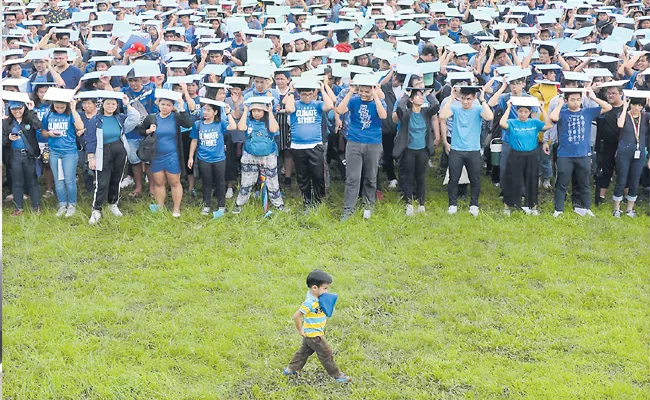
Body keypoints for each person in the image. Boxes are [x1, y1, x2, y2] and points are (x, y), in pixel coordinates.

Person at [547, 89, 612, 217]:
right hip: (565, 155)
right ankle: (558, 209)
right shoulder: (563, 113)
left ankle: (586, 207)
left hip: (583, 154)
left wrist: (592, 98)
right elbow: (553, 117)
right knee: (562, 183)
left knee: (584, 183)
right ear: (566, 100)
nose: (576, 102)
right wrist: (560, 104)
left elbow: (608, 107)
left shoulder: (587, 112)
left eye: (578, 99)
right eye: (572, 100)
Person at [282, 269, 352, 384]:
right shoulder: (310, 302)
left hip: (311, 333)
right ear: (314, 288)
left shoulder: (316, 297)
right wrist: (300, 329)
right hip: (314, 334)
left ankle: (291, 369)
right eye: (324, 288)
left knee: (304, 352)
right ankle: (338, 376)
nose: (326, 291)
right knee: (326, 353)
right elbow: (296, 316)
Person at [85, 94, 142, 224]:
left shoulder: (119, 118)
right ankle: (96, 209)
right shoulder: (96, 120)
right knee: (102, 182)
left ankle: (113, 203)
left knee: (116, 179)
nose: (110, 106)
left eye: (113, 104)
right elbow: (90, 139)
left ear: (116, 106)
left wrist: (127, 104)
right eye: (108, 103)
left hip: (119, 150)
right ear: (103, 105)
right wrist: (91, 158)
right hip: (102, 151)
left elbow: (135, 118)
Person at [335, 80, 388, 220]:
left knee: (371, 176)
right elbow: (339, 110)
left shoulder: (380, 102)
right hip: (354, 142)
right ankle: (348, 210)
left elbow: (383, 116)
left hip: (373, 143)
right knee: (353, 178)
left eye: (367, 91)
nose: (364, 94)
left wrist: (375, 95)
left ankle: (368, 205)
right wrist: (351, 91)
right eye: (362, 91)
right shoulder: (354, 100)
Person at [137, 90, 193, 217]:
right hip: (156, 156)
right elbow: (140, 130)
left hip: (172, 155)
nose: (165, 107)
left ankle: (176, 209)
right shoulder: (152, 118)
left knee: (174, 182)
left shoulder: (176, 117)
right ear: (159, 104)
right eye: (163, 104)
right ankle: (160, 206)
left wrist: (182, 109)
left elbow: (189, 124)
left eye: (168, 105)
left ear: (172, 107)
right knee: (159, 182)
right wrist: (148, 131)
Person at [439, 86, 494, 217]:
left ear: (473, 98)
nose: (465, 102)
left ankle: (474, 205)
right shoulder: (455, 108)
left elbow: (489, 116)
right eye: (463, 99)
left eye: (468, 99)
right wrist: (452, 97)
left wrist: (483, 100)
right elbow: (442, 115)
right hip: (456, 149)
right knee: (454, 179)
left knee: (475, 179)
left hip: (473, 150)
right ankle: (452, 204)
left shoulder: (478, 109)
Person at [284, 81, 335, 210]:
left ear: (313, 94)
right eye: (303, 95)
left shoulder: (317, 104)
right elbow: (289, 109)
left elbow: (330, 105)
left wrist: (322, 89)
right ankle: (307, 201)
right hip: (298, 146)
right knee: (303, 176)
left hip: (315, 145)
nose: (306, 97)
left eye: (309, 94)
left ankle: (319, 201)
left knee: (318, 175)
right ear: (299, 94)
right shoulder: (295, 104)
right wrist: (291, 90)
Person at [499, 99, 552, 215]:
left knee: (532, 180)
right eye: (520, 111)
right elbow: (502, 123)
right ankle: (508, 206)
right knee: (512, 180)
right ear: (517, 112)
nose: (523, 114)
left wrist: (542, 108)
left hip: (531, 156)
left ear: (529, 113)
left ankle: (533, 206)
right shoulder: (512, 122)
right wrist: (508, 107)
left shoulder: (534, 123)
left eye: (526, 112)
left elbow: (549, 125)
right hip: (515, 155)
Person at [232, 98, 286, 214]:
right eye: (254, 110)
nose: (256, 113)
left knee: (272, 181)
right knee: (246, 181)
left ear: (264, 111)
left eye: (259, 110)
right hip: (250, 155)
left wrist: (271, 112)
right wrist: (245, 111)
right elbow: (241, 128)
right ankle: (239, 204)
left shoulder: (269, 121)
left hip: (268, 155)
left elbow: (274, 129)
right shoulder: (248, 121)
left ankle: (278, 204)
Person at [188, 98, 237, 216]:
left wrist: (229, 112)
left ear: (215, 112)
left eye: (208, 110)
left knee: (220, 182)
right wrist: (190, 157)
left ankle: (221, 205)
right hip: (203, 158)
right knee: (206, 182)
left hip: (219, 158)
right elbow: (194, 141)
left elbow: (233, 126)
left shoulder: (220, 123)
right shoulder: (198, 124)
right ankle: (206, 205)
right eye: (204, 109)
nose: (205, 112)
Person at [393, 88, 437, 216]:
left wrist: (429, 94)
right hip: (409, 150)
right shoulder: (406, 114)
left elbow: (435, 106)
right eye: (418, 96)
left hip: (423, 150)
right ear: (411, 100)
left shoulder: (425, 112)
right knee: (409, 177)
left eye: (421, 95)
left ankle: (421, 203)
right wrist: (406, 95)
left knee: (421, 176)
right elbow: (399, 109)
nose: (421, 97)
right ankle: (409, 203)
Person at [40, 96, 85, 217]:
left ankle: (72, 205)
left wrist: (73, 109)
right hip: (54, 151)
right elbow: (43, 131)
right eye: (57, 107)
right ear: (53, 105)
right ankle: (62, 204)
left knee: (69, 180)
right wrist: (49, 133)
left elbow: (80, 127)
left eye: (62, 107)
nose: (59, 109)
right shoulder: (48, 115)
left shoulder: (70, 114)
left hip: (69, 151)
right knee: (58, 180)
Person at [612, 96, 650, 218]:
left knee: (635, 181)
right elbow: (620, 124)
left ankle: (630, 209)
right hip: (624, 152)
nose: (637, 108)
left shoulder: (645, 116)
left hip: (639, 152)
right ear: (630, 104)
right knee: (622, 180)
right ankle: (616, 208)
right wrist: (624, 107)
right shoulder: (623, 114)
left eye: (640, 106)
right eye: (634, 105)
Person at [2, 100, 42, 216]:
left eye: (19, 108)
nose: (17, 111)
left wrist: (31, 111)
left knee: (32, 181)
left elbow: (38, 125)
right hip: (14, 156)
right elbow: (3, 141)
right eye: (14, 109)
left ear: (23, 108)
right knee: (17, 182)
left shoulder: (29, 119)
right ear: (10, 110)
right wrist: (9, 138)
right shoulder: (6, 123)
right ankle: (18, 208)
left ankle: (36, 207)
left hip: (29, 155)